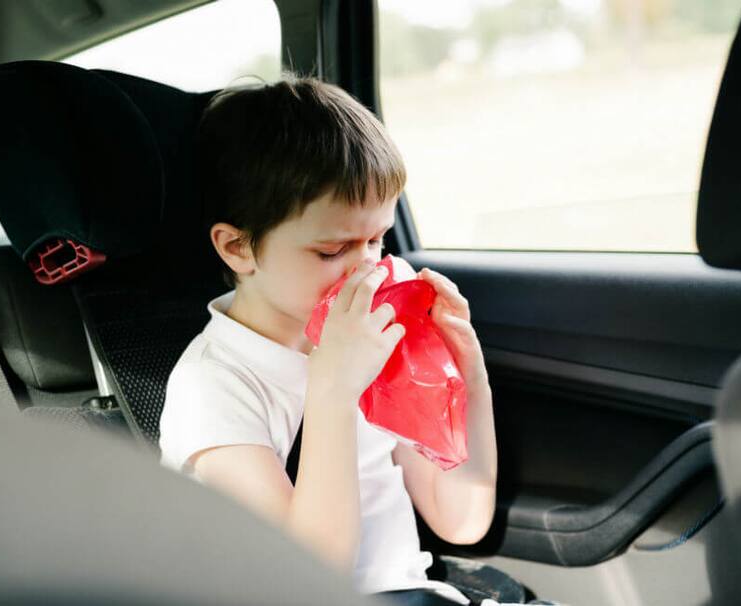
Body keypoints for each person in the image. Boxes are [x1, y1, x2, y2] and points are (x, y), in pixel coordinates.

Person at [158, 75, 504, 605]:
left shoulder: (371, 337)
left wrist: (469, 379)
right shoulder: (215, 386)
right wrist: (333, 390)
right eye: (332, 250)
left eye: (377, 239)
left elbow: (461, 517)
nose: (367, 266)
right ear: (238, 248)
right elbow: (309, 579)